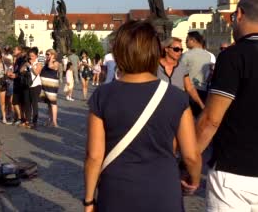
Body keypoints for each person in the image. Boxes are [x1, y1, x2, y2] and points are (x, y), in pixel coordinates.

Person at [84, 20, 201, 212]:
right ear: (155, 52)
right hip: (164, 191)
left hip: (116, 191)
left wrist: (89, 201)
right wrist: (194, 180)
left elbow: (94, 156)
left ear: (119, 53)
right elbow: (191, 156)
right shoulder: (177, 97)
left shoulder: (102, 96)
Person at [196, 0, 258, 211]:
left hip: (234, 172)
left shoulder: (235, 56)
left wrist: (188, 161)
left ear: (239, 14)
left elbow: (210, 120)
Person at [157, 37, 205, 111]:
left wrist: (201, 105)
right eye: (176, 49)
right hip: (159, 107)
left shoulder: (182, 67)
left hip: (178, 107)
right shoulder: (155, 66)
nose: (179, 52)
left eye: (181, 50)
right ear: (166, 49)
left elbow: (189, 88)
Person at [181, 31, 213, 117]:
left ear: (193, 40)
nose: (185, 42)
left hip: (189, 90)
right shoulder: (208, 55)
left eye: (187, 40)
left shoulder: (186, 55)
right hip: (203, 90)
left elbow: (180, 73)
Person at [20, 47, 43, 129]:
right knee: (27, 103)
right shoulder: (27, 62)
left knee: (34, 104)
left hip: (36, 85)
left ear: (36, 56)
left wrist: (31, 66)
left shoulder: (39, 63)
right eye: (30, 55)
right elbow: (21, 70)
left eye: (32, 56)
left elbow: (37, 72)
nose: (31, 57)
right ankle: (28, 120)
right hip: (27, 85)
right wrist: (25, 65)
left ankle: (34, 121)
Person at [40, 49, 60, 127]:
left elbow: (51, 67)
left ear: (53, 55)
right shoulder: (46, 62)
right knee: (49, 104)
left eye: (48, 54)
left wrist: (51, 59)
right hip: (45, 86)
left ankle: (54, 121)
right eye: (46, 54)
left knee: (53, 103)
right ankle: (50, 119)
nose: (47, 56)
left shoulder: (56, 62)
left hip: (52, 86)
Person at [8, 46, 25, 125]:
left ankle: (20, 118)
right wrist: (12, 73)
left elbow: (22, 71)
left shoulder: (21, 59)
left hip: (20, 83)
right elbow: (17, 70)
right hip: (16, 82)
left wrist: (16, 75)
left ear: (19, 51)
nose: (13, 51)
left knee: (16, 102)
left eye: (15, 49)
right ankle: (18, 117)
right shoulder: (17, 59)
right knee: (15, 102)